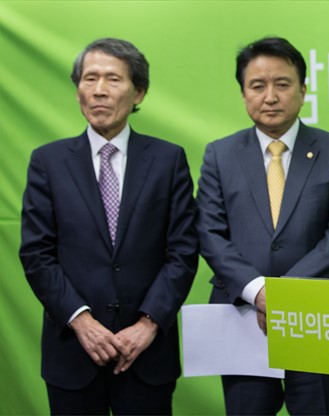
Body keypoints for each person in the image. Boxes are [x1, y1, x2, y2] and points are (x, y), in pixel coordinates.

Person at [19, 38, 199, 414]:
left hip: (146, 354)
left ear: (139, 93)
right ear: (78, 91)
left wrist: (149, 324)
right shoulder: (48, 162)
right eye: (90, 79)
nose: (99, 90)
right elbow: (37, 254)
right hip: (73, 352)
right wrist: (80, 321)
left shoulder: (168, 160)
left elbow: (183, 251)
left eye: (113, 79)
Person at [196, 36, 329, 415]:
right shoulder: (220, 155)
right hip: (242, 315)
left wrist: (283, 295)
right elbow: (210, 233)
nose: (270, 96)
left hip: (317, 318)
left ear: (303, 90)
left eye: (282, 84)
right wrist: (258, 292)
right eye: (257, 86)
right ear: (243, 93)